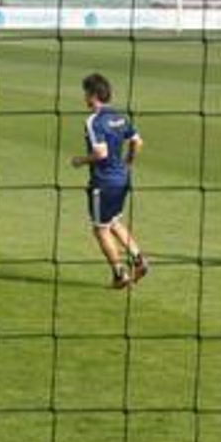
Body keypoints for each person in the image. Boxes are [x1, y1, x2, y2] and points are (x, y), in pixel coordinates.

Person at [70, 73, 150, 288]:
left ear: (93, 95)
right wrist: (128, 163)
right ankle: (140, 260)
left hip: (103, 183)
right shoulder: (121, 116)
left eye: (86, 93)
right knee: (113, 222)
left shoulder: (93, 121)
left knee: (100, 229)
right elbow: (137, 142)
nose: (84, 97)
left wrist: (80, 161)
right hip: (122, 180)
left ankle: (119, 274)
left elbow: (100, 153)